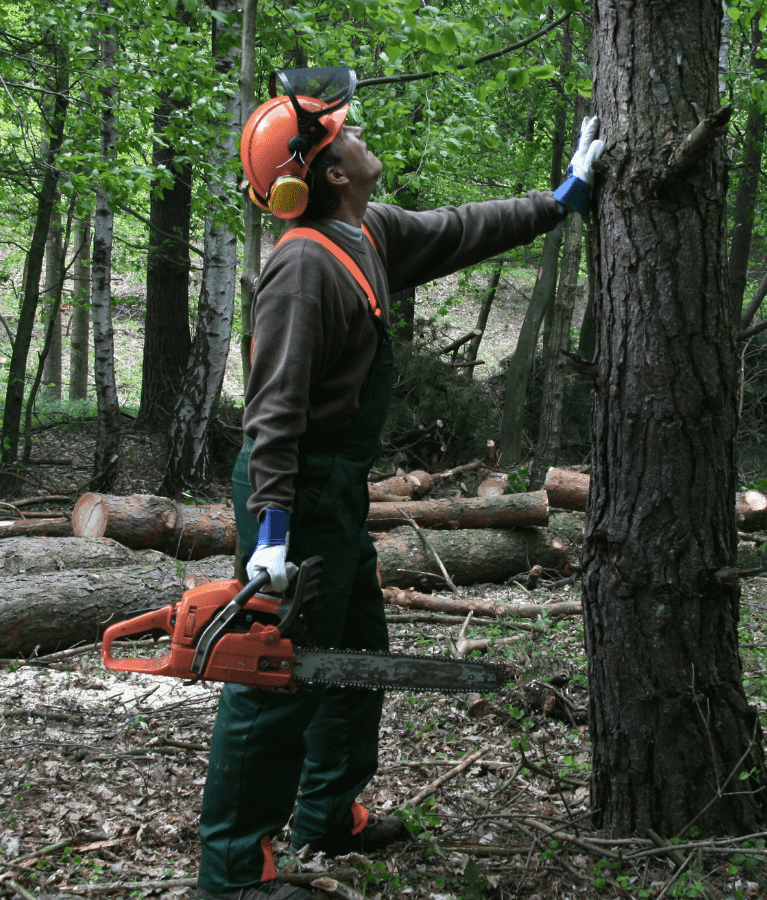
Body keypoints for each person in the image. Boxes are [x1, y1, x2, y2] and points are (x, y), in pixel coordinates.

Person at [197, 67, 602, 900]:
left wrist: (559, 199)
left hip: (335, 488)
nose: (357, 131)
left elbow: (461, 228)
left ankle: (327, 813)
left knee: (356, 654)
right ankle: (233, 872)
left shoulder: (366, 231)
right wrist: (271, 530)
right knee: (274, 675)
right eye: (343, 130)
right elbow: (272, 410)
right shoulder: (302, 268)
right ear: (329, 171)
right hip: (295, 486)